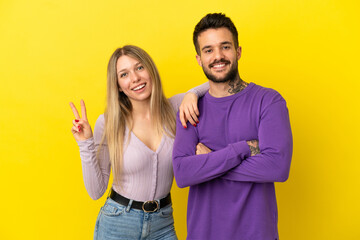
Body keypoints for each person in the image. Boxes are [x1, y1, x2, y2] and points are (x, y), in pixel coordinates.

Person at [172, 13, 293, 240]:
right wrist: (243, 149)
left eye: (225, 47)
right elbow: (183, 174)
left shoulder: (268, 101)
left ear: (238, 51)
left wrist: (210, 161)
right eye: (208, 50)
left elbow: (277, 167)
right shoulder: (191, 110)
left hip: (257, 234)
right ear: (199, 59)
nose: (218, 56)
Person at [69, 45, 207, 240]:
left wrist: (193, 93)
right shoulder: (109, 122)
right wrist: (85, 144)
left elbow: (217, 84)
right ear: (117, 85)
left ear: (150, 70)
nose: (135, 78)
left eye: (140, 68)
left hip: (163, 222)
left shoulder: (175, 107)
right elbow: (96, 191)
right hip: (118, 223)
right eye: (124, 74)